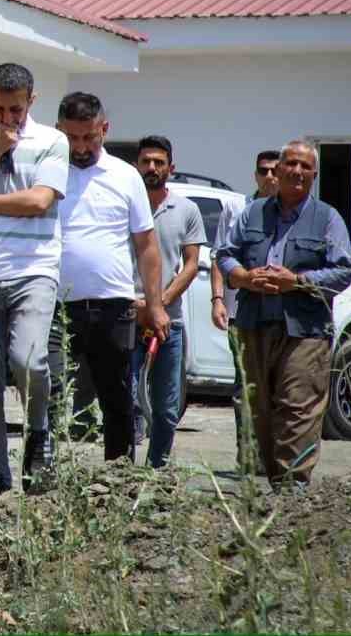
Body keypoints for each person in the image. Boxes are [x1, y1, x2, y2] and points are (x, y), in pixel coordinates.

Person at [215, 141, 351, 487]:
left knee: (297, 408)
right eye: (290, 163)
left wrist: (298, 281)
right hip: (254, 325)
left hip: (305, 332)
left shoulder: (328, 218)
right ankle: (271, 490)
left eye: (305, 166)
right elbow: (225, 254)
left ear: (314, 174)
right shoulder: (253, 213)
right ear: (277, 171)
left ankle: (293, 492)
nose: (297, 171)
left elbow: (343, 271)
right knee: (257, 411)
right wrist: (244, 277)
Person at [0, 62, 70, 495]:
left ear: (32, 101)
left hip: (34, 268)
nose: (8, 119)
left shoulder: (52, 141)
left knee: (29, 360)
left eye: (17, 110)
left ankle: (39, 436)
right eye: (0, 109)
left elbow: (39, 200)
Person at [53, 93, 168, 465]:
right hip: (56, 306)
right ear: (59, 131)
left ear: (105, 129)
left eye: (89, 137)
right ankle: (41, 480)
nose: (81, 147)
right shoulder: (47, 172)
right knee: (50, 395)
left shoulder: (125, 175)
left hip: (113, 306)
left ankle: (117, 481)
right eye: (72, 138)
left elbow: (147, 246)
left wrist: (154, 305)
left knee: (117, 399)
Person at [131, 135, 204, 468]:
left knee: (167, 405)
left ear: (170, 168)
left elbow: (190, 264)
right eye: (146, 161)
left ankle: (156, 470)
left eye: (159, 162)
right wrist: (139, 305)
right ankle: (121, 472)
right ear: (136, 165)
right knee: (127, 399)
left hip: (168, 324)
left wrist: (159, 303)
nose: (151, 168)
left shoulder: (187, 210)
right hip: (128, 318)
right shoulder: (126, 205)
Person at [209, 147, 282, 469]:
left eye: (273, 170)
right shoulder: (238, 209)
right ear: (255, 175)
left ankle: (277, 457)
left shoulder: (295, 214)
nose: (269, 176)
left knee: (280, 387)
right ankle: (249, 458)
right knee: (246, 387)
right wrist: (218, 300)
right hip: (243, 313)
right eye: (263, 170)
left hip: (282, 317)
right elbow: (220, 257)